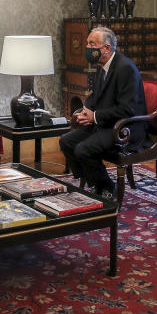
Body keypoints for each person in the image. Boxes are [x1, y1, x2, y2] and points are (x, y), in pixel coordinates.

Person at [59, 26, 146, 198]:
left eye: (92, 44)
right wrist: (86, 110)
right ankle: (94, 182)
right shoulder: (103, 65)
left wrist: (95, 116)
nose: (88, 48)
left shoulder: (125, 68)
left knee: (84, 149)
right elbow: (96, 95)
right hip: (106, 124)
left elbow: (127, 109)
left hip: (125, 128)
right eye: (87, 43)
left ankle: (107, 188)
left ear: (106, 48)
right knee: (67, 141)